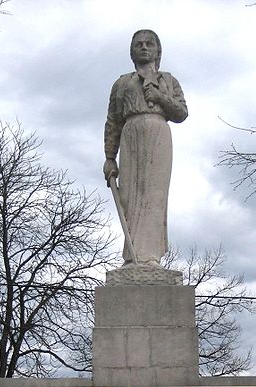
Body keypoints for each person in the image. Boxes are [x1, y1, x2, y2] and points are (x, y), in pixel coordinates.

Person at [103, 30, 188, 267]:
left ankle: (151, 256)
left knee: (154, 195)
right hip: (131, 133)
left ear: (157, 50)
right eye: (138, 44)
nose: (144, 47)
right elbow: (112, 121)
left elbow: (181, 113)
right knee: (130, 195)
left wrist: (160, 97)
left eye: (149, 44)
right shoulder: (122, 83)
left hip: (158, 132)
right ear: (132, 51)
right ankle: (132, 257)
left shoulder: (168, 81)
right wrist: (110, 157)